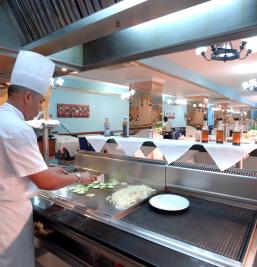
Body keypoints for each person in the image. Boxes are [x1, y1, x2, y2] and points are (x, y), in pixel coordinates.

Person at [0, 50, 97, 267]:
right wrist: (80, 177)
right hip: (9, 217)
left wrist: (56, 172)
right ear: (27, 97)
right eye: (40, 101)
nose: (40, 109)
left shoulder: (2, 118)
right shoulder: (17, 128)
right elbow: (45, 181)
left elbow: (28, 171)